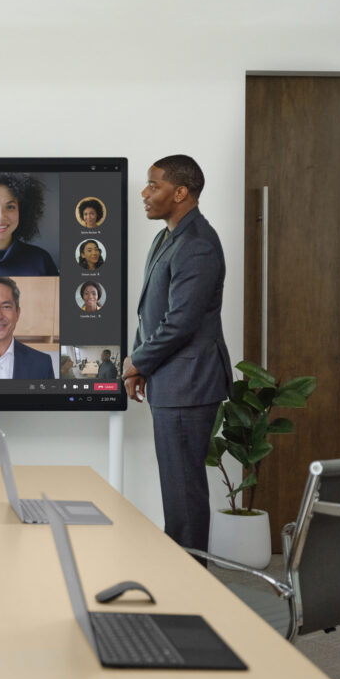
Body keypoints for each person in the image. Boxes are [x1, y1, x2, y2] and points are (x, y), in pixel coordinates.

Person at [122, 154, 232, 555]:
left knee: (184, 494)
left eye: (154, 186)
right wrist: (140, 363)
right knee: (177, 489)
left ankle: (191, 588)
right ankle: (181, 579)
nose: (144, 193)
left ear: (181, 192)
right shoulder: (167, 237)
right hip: (170, 381)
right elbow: (149, 309)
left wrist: (137, 362)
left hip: (189, 385)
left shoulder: (198, 244)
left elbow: (180, 322)